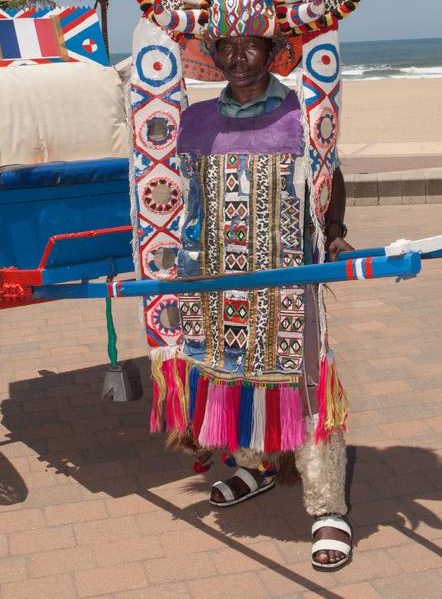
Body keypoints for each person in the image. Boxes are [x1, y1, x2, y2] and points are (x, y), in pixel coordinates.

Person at [174, 31, 354, 571]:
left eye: (251, 46)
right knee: (235, 375)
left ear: (274, 51)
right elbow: (185, 199)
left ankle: (329, 508)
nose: (237, 58)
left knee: (305, 384)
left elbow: (330, 176)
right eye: (225, 46)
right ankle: (259, 464)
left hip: (287, 280)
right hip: (217, 281)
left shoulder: (303, 113)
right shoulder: (196, 121)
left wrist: (335, 229)